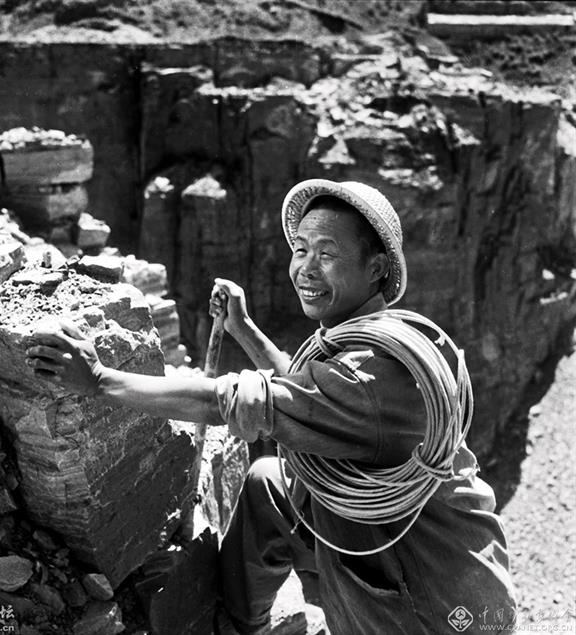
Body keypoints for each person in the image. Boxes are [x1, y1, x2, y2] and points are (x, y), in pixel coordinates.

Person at [26, 179, 517, 634]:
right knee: (270, 484)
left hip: (435, 603)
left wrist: (100, 379)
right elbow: (308, 395)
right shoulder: (373, 346)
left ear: (377, 268)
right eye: (301, 250)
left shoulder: (369, 375)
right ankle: (242, 626)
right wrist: (242, 328)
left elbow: (232, 401)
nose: (306, 268)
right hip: (417, 559)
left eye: (327, 253)